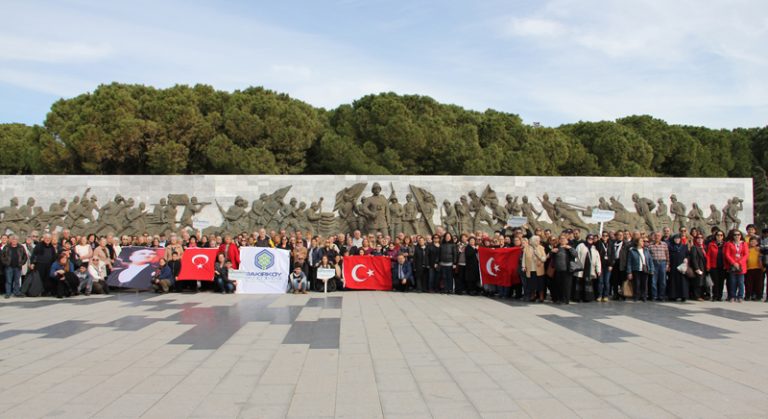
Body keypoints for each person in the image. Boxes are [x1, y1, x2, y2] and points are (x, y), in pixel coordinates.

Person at [574, 234, 601, 302]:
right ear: (586, 238)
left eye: (592, 239)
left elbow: (598, 260)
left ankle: (587, 298)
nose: (590, 239)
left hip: (589, 268)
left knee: (588, 283)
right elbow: (576, 256)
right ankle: (578, 297)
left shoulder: (594, 248)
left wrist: (598, 270)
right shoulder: (581, 246)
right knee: (579, 282)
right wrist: (577, 265)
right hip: (581, 267)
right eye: (589, 238)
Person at [550, 234, 576, 304]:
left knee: (566, 285)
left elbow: (575, 254)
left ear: (567, 240)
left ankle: (566, 299)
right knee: (559, 285)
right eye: (561, 238)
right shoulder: (557, 247)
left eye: (564, 238)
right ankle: (559, 298)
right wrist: (552, 252)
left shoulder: (569, 247)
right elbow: (550, 256)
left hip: (567, 270)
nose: (562, 240)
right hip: (558, 270)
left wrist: (569, 248)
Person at [723, 229, 748, 303]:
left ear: (741, 236)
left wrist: (739, 263)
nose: (737, 236)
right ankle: (732, 296)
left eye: (738, 235)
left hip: (741, 266)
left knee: (741, 282)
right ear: (732, 236)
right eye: (735, 235)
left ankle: (740, 296)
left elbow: (746, 255)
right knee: (732, 282)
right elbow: (727, 254)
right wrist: (733, 263)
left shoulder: (744, 244)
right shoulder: (729, 243)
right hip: (732, 266)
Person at [627, 237, 654, 302]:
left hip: (645, 269)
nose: (643, 242)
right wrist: (629, 272)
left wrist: (651, 269)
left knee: (644, 284)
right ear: (637, 242)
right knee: (637, 283)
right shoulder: (632, 251)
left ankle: (644, 296)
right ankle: (636, 296)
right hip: (636, 269)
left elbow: (650, 260)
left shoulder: (646, 250)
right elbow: (629, 262)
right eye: (641, 241)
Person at [522, 235, 546, 302]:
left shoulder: (541, 248)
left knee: (540, 284)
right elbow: (524, 258)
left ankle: (541, 296)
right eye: (537, 240)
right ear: (533, 241)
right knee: (532, 284)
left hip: (539, 269)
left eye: (538, 240)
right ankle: (533, 296)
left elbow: (544, 259)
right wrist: (523, 266)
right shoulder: (526, 248)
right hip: (530, 269)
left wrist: (538, 255)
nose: (538, 242)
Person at [647, 232, 670, 301]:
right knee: (653, 281)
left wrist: (667, 264)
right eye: (656, 236)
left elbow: (667, 255)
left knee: (663, 281)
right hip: (654, 263)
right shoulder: (650, 245)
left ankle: (662, 296)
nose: (657, 237)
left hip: (662, 263)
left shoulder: (664, 244)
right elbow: (648, 257)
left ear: (661, 237)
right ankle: (654, 296)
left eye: (659, 236)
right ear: (654, 237)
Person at [706, 230, 727, 301]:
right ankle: (715, 296)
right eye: (718, 235)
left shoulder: (726, 244)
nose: (719, 236)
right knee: (715, 282)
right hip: (714, 266)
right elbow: (708, 255)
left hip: (723, 266)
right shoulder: (711, 244)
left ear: (723, 236)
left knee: (721, 282)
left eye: (721, 235)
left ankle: (719, 296)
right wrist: (708, 266)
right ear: (715, 236)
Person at [667, 234, 689, 302]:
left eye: (678, 239)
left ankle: (683, 296)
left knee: (683, 281)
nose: (677, 240)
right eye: (675, 239)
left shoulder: (684, 247)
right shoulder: (670, 247)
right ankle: (673, 296)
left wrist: (686, 258)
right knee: (673, 281)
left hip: (682, 266)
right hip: (673, 266)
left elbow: (688, 255)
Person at [595, 231, 615, 302]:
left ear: (608, 237)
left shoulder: (611, 244)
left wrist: (611, 265)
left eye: (606, 236)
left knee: (606, 281)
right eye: (603, 235)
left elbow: (613, 255)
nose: (605, 237)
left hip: (608, 265)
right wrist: (599, 240)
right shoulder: (599, 243)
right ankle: (599, 295)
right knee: (600, 281)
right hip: (600, 265)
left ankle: (605, 295)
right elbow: (596, 250)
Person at [689, 235, 707, 301]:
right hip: (698, 267)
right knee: (698, 282)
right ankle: (697, 296)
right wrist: (696, 268)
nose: (700, 239)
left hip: (704, 267)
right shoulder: (694, 248)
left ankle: (702, 295)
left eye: (701, 238)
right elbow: (693, 259)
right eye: (698, 238)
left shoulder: (704, 247)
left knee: (702, 282)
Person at [745, 237, 763, 301]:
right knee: (748, 284)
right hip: (749, 269)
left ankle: (758, 296)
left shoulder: (759, 249)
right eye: (751, 241)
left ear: (757, 243)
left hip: (758, 268)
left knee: (758, 284)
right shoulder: (747, 249)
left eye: (754, 241)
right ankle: (748, 295)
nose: (753, 243)